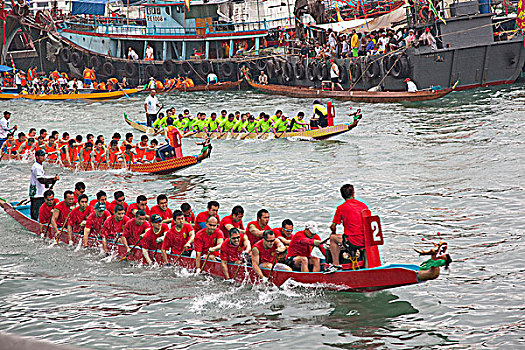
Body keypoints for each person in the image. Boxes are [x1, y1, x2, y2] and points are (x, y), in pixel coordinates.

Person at [329, 184, 369, 266]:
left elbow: (333, 226)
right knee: (362, 245)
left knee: (333, 238)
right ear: (353, 193)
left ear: (342, 196)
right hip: (366, 239)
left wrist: (333, 232)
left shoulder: (341, 208)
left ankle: (335, 265)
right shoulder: (363, 206)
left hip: (353, 241)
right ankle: (366, 267)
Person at [29, 149, 59, 220]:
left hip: (40, 192)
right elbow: (41, 180)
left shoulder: (40, 166)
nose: (43, 157)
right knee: (36, 212)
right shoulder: (36, 167)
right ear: (36, 157)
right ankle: (34, 222)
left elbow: (43, 180)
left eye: (43, 156)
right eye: (41, 156)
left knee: (42, 210)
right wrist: (53, 179)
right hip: (36, 193)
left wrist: (47, 186)